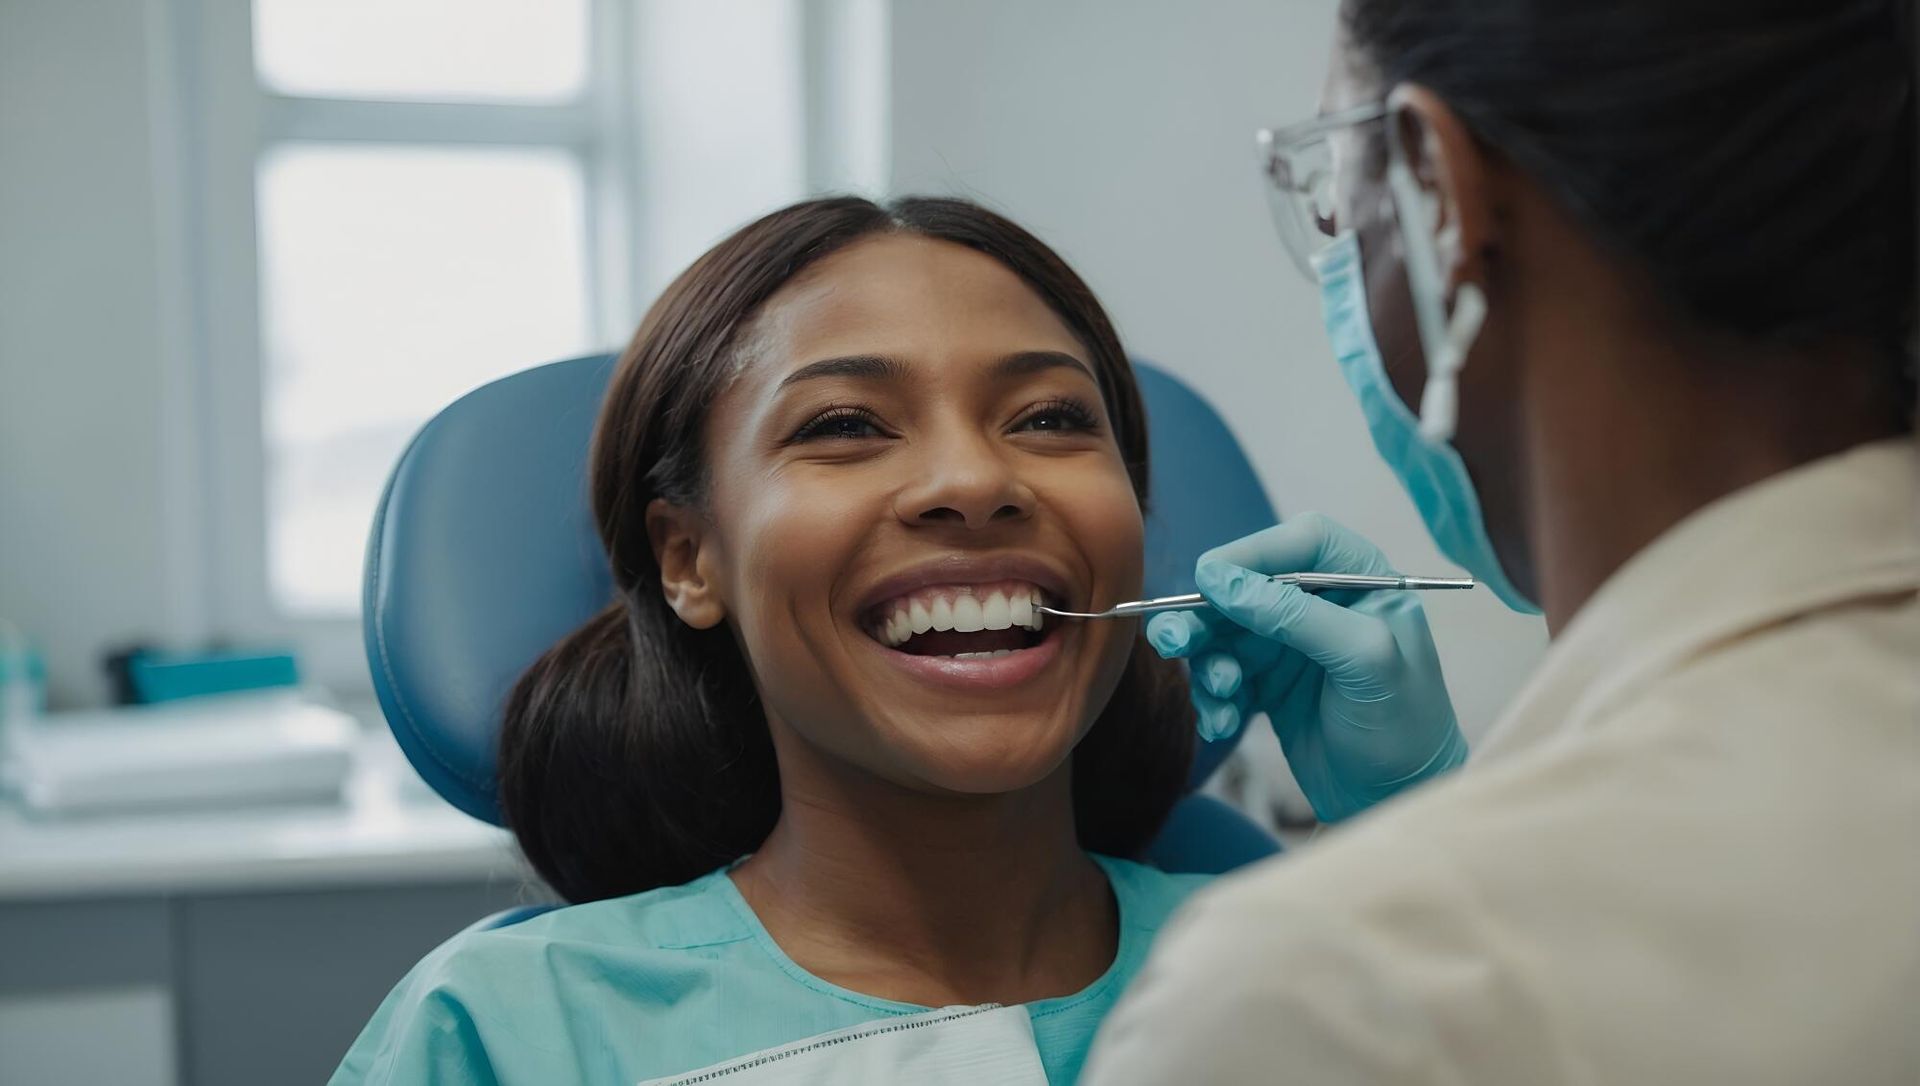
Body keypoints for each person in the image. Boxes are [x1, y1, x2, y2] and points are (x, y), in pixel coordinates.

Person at [330, 196, 1460, 1085]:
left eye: (1050, 418)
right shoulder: (511, 1035)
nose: (975, 479)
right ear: (689, 560)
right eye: (845, 426)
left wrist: (1444, 840)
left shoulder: (1338, 972)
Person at [1085, 0, 1918, 1082]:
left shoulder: (1324, 997)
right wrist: (1435, 818)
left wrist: (1427, 876)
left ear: (1436, 190)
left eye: (1338, 187)